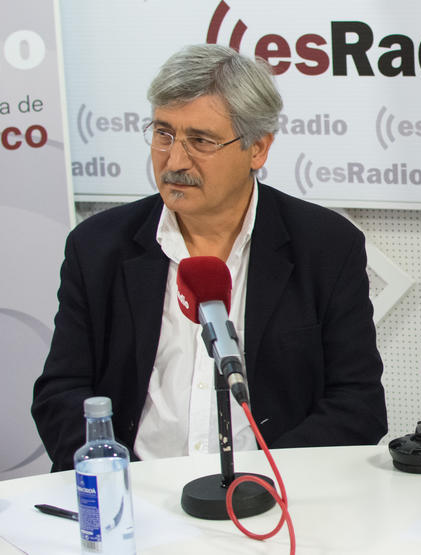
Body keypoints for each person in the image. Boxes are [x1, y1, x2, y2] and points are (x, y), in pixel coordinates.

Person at [32, 44, 387, 471]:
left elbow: (357, 405)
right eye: (164, 134)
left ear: (257, 149)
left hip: (274, 497)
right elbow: (61, 392)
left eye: (200, 140)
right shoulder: (97, 247)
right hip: (136, 494)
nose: (175, 160)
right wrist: (113, 477)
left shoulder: (326, 247)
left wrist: (267, 479)